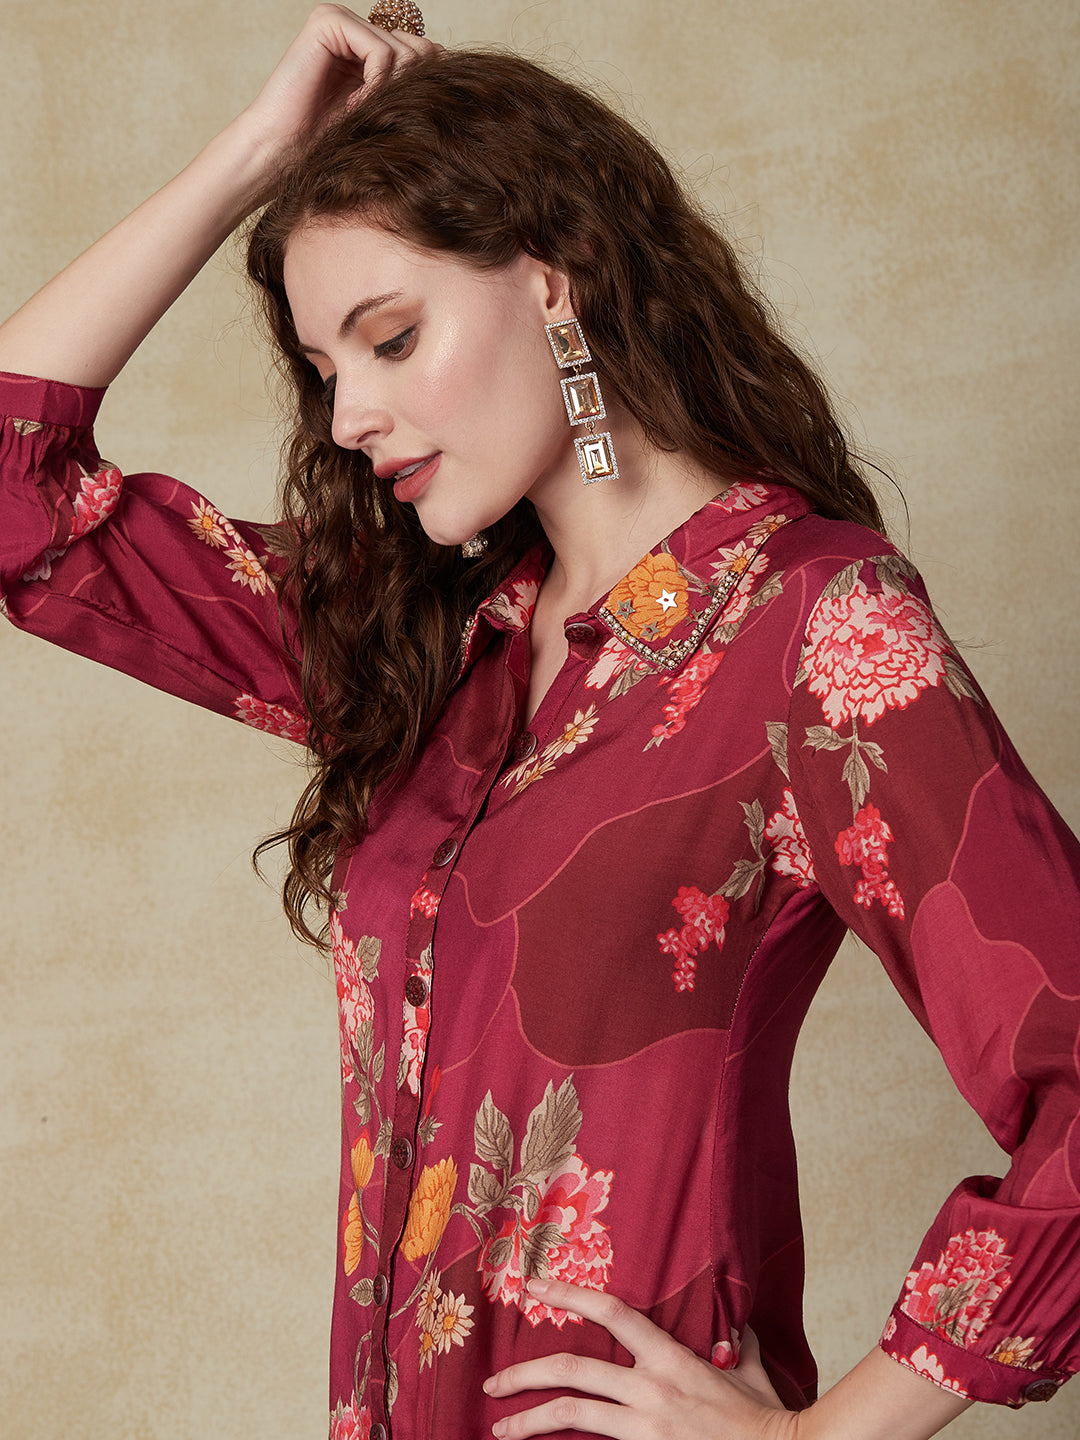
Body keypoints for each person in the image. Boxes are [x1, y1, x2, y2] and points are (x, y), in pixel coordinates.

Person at [1, 5, 1077, 1438]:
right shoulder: (426, 646)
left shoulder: (810, 626)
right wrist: (260, 153)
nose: (349, 417)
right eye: (325, 370)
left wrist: (819, 1438)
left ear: (557, 286)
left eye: (391, 339)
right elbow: (18, 499)